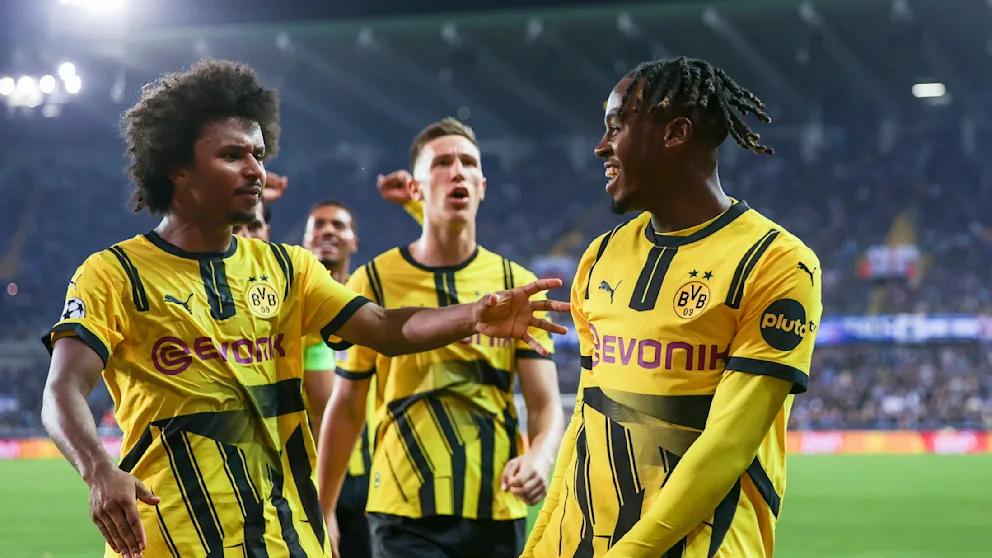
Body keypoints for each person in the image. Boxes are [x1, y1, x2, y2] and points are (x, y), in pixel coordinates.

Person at [40, 60, 567, 558]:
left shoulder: (288, 268)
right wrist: (97, 469)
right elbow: (62, 388)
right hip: (169, 539)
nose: (255, 170)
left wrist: (472, 315)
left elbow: (384, 327)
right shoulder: (114, 274)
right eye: (233, 156)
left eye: (259, 155)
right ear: (177, 167)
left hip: (287, 537)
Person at [522, 57, 823, 558]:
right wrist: (539, 545)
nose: (601, 146)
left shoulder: (776, 263)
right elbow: (585, 422)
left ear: (675, 133)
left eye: (616, 126)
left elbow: (727, 445)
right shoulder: (599, 257)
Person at [317, 118, 565, 558]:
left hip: (496, 506)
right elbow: (348, 405)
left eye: (468, 163)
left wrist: (540, 457)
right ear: (415, 188)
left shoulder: (517, 284)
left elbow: (544, 403)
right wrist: (325, 506)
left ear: (482, 186)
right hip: (402, 510)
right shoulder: (373, 280)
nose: (457, 172)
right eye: (442, 163)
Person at [299, 200, 376, 558]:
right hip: (305, 474)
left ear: (354, 241)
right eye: (318, 224)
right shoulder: (289, 307)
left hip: (370, 474)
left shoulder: (372, 308)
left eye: (338, 225)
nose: (328, 231)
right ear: (305, 241)